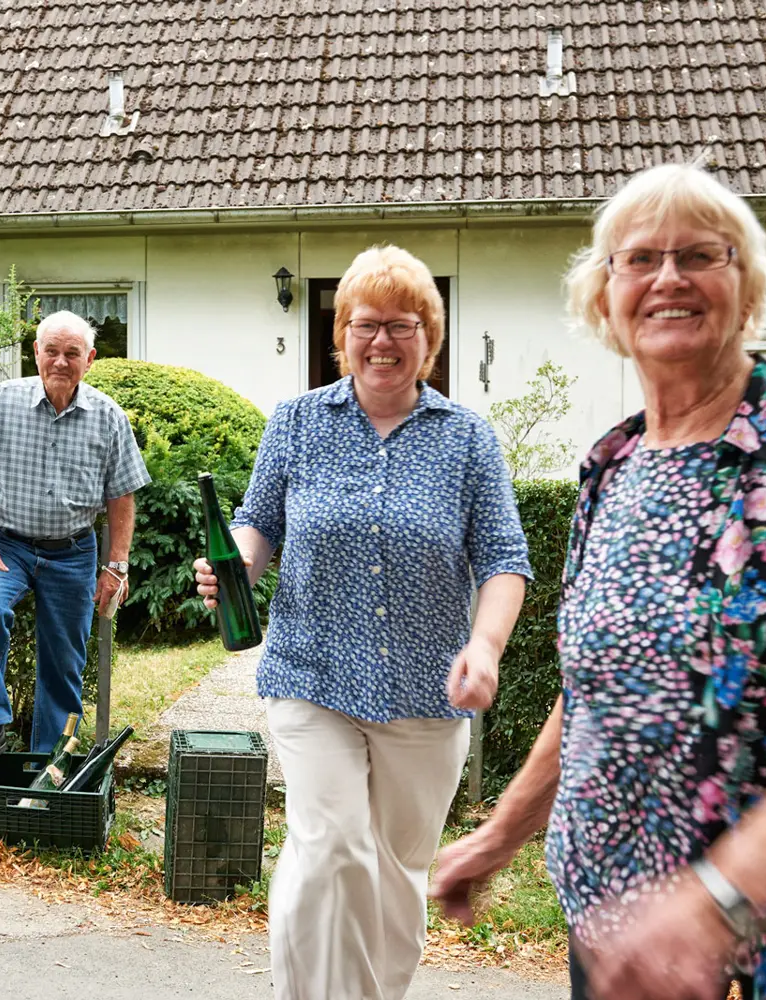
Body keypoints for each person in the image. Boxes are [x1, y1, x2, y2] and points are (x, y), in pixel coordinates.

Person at [430, 162, 766, 1000]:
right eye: (639, 259)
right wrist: (499, 835)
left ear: (746, 288)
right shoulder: (612, 465)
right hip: (624, 924)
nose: (668, 278)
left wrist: (715, 902)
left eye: (700, 256)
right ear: (603, 298)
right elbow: (595, 689)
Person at [193, 245, 531, 1000]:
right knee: (331, 846)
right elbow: (257, 524)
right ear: (341, 332)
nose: (382, 341)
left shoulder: (467, 440)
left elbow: (505, 559)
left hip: (426, 694)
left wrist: (486, 645)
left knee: (395, 884)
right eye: (366, 324)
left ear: (428, 338)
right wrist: (236, 566)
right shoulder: (297, 424)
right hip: (313, 678)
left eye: (401, 325)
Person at [0, 310, 150, 775]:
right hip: (8, 547)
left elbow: (122, 495)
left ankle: (48, 767)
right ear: (35, 353)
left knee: (63, 663)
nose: (60, 362)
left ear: (90, 359)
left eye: (72, 353)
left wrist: (116, 565)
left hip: (74, 553)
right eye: (51, 351)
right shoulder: (1, 401)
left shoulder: (109, 418)